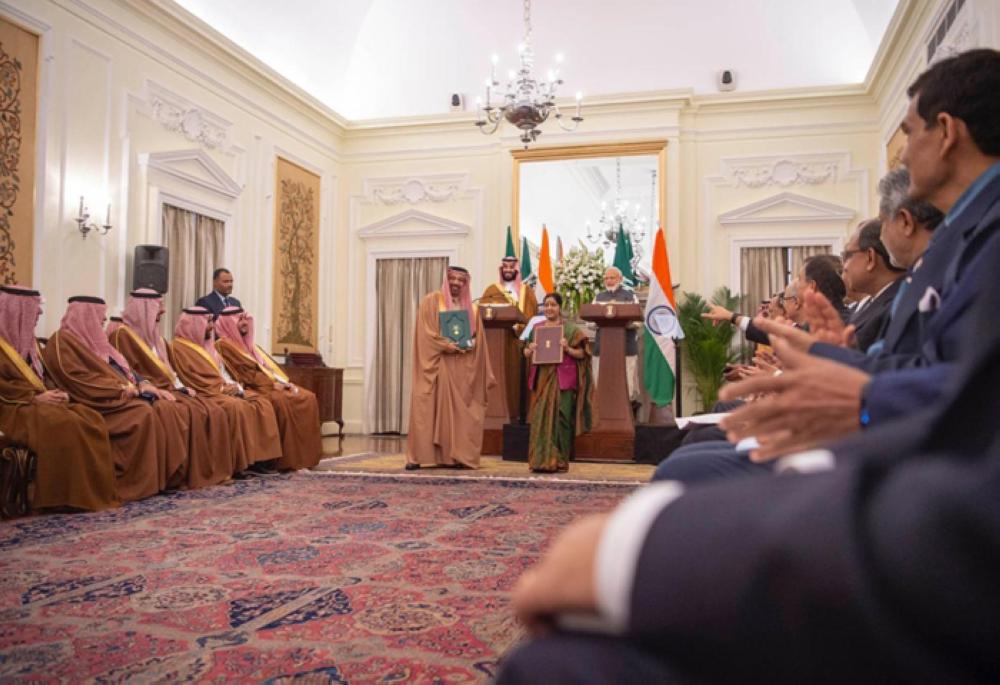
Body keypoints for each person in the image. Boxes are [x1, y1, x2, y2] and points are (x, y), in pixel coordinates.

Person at [41, 296, 171, 501]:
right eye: (98, 320)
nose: (101, 325)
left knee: (152, 407)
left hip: (113, 398)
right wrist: (118, 389)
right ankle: (128, 483)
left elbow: (124, 369)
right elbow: (75, 379)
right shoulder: (62, 342)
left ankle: (149, 482)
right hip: (93, 401)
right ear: (85, 318)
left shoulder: (97, 343)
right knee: (141, 413)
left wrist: (142, 383)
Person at [0, 286, 117, 511]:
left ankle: (88, 493)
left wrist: (55, 392)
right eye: (34, 310)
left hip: (36, 403)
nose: (40, 315)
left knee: (88, 417)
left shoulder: (30, 345)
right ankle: (60, 497)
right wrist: (33, 398)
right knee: (63, 423)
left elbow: (44, 376)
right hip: (12, 408)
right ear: (16, 311)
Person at [112, 289, 235, 487]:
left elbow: (171, 372)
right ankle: (175, 474)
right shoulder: (122, 336)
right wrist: (152, 387)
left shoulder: (158, 340)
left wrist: (181, 387)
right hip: (148, 393)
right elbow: (127, 371)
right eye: (157, 307)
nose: (162, 311)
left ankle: (203, 471)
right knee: (182, 411)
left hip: (169, 389)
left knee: (210, 409)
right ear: (144, 308)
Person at [169, 306, 282, 473]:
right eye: (206, 323)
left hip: (221, 388)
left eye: (210, 322)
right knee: (237, 407)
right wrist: (222, 388)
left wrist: (234, 386)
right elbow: (192, 378)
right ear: (194, 324)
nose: (211, 327)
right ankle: (240, 464)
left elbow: (222, 373)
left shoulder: (208, 346)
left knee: (261, 402)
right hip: (206, 392)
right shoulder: (179, 348)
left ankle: (261, 460)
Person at [405, 266, 493, 470]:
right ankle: (418, 457)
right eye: (452, 278)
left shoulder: (471, 310)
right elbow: (425, 333)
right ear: (447, 279)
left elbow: (477, 340)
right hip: (436, 365)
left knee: (459, 413)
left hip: (461, 369)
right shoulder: (432, 301)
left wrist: (467, 345)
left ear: (466, 284)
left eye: (461, 281)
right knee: (426, 408)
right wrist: (446, 345)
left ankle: (454, 456)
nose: (456, 283)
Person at [214, 306, 321, 471]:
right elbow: (246, 374)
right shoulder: (224, 346)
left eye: (245, 319)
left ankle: (305, 458)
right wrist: (272, 385)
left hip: (267, 383)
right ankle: (285, 460)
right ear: (229, 323)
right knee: (281, 402)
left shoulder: (249, 345)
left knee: (308, 397)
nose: (244, 324)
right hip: (254, 386)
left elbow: (266, 367)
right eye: (239, 320)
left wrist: (282, 382)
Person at [523, 293, 593, 473]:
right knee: (540, 418)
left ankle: (559, 461)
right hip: (542, 380)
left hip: (562, 380)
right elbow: (526, 351)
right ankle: (539, 460)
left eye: (553, 305)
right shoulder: (536, 328)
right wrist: (529, 350)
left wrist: (567, 348)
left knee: (562, 420)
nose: (549, 308)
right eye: (546, 305)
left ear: (560, 308)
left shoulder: (570, 330)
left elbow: (583, 354)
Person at [480, 255, 538, 420]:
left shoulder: (528, 292)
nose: (508, 270)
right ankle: (502, 414)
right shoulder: (491, 291)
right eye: (505, 267)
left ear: (517, 269)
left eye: (511, 267)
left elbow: (533, 315)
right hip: (500, 344)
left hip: (524, 343)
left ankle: (523, 415)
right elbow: (483, 315)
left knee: (523, 381)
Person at [839, 219, 905, 352]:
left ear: (870, 257)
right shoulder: (874, 302)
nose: (844, 266)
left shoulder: (897, 305)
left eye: (848, 255)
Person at [591, 267, 639, 406]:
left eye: (612, 278)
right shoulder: (598, 297)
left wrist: (621, 322)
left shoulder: (630, 296)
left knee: (627, 386)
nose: (609, 281)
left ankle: (625, 414)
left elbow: (638, 321)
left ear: (620, 279)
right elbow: (589, 322)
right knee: (601, 385)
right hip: (602, 349)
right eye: (606, 278)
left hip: (626, 349)